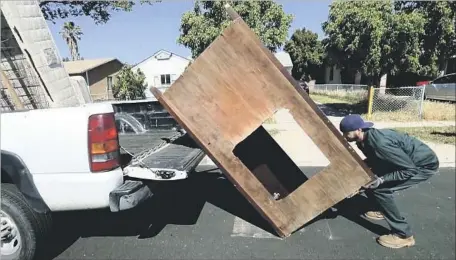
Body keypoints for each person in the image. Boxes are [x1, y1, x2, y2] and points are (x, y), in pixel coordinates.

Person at [339, 114, 439, 249]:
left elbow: (409, 170)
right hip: (406, 163)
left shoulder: (379, 143)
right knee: (369, 178)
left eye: (346, 133)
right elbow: (377, 159)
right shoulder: (363, 140)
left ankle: (403, 235)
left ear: (359, 130)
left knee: (380, 189)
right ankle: (380, 209)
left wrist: (381, 180)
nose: (344, 137)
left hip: (422, 166)